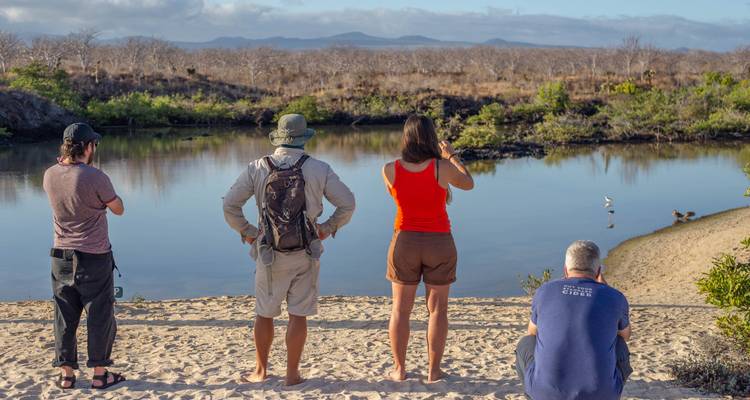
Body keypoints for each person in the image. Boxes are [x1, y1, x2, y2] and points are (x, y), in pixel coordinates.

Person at [223, 113, 355, 385]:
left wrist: (249, 233)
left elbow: (230, 205)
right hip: (307, 251)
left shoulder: (257, 167)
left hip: (269, 252)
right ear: (304, 138)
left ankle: (260, 371)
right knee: (298, 314)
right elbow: (348, 203)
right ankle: (292, 374)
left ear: (279, 138)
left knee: (264, 313)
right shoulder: (319, 168)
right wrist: (326, 229)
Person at [381, 115, 475, 382]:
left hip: (404, 241)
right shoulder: (441, 167)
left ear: (406, 137)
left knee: (400, 309)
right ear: (432, 138)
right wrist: (452, 156)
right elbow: (468, 183)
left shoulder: (389, 168)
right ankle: (434, 371)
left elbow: (398, 197)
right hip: (439, 242)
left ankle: (399, 369)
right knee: (438, 310)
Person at [42, 123, 126, 390]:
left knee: (64, 316)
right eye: (94, 145)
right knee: (99, 314)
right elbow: (119, 209)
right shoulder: (95, 176)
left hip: (60, 255)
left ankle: (67, 375)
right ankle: (100, 375)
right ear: (88, 147)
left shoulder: (49, 175)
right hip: (94, 255)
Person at [515, 240, 633, 400]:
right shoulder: (615, 297)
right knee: (619, 343)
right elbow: (625, 335)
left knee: (526, 342)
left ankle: (532, 393)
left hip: (545, 394)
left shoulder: (545, 291)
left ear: (565, 270)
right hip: (602, 394)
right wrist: (605, 288)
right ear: (598, 271)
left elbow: (532, 333)